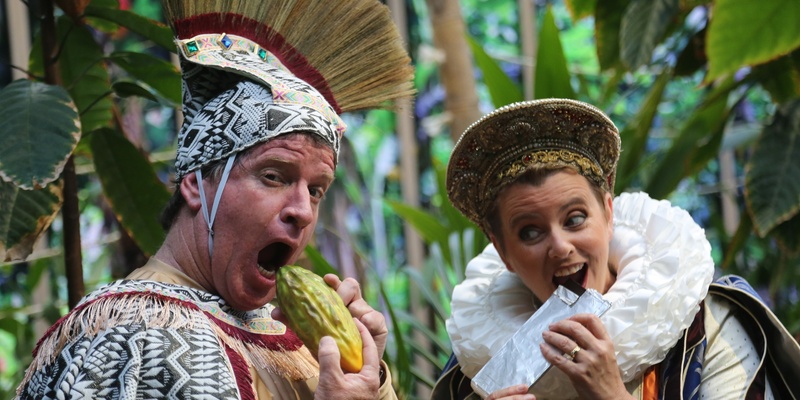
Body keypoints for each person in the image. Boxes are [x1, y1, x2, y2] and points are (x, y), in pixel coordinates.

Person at [16, 0, 413, 399]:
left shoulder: (296, 341)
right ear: (195, 182)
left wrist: (369, 376)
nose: (303, 211)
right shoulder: (130, 337)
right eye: (273, 176)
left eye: (315, 189)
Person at [431, 99, 800, 399]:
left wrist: (611, 394)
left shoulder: (707, 326)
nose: (560, 247)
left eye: (575, 219)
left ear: (608, 215)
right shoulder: (483, 366)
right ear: (503, 252)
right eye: (530, 232)